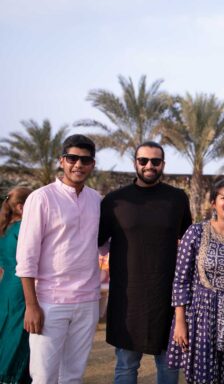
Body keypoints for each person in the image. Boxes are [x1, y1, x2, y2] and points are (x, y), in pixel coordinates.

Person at [98, 141, 192, 384]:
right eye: (143, 161)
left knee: (169, 367)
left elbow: (191, 241)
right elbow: (93, 240)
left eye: (155, 161)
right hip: (127, 301)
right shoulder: (115, 201)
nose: (149, 165)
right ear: (135, 163)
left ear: (163, 165)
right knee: (126, 366)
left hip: (167, 298)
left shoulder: (177, 199)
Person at [16, 134, 102, 383]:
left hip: (88, 301)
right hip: (49, 302)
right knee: (43, 377)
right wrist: (31, 306)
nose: (78, 165)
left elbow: (106, 244)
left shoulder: (97, 200)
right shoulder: (41, 198)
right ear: (61, 161)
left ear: (92, 164)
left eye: (85, 160)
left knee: (73, 376)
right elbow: (26, 256)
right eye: (72, 158)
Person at [167, 179, 224, 384]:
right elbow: (181, 279)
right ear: (213, 203)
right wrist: (180, 321)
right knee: (202, 377)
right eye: (223, 197)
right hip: (201, 316)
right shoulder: (196, 232)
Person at [0, 187, 32, 383]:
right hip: (21, 287)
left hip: (6, 287)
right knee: (18, 334)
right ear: (21, 207)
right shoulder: (23, 229)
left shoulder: (4, 229)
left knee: (6, 330)